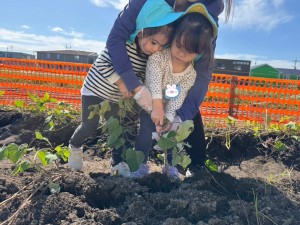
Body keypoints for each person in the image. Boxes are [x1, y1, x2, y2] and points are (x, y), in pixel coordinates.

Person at [106, 0, 234, 175]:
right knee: (130, 111)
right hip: (137, 66)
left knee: (182, 115)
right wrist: (135, 86)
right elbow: (116, 38)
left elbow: (201, 76)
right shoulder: (147, 3)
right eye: (180, 46)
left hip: (175, 81)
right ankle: (124, 161)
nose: (183, 52)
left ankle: (190, 165)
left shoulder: (207, 18)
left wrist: (179, 117)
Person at [67, 0, 188, 174]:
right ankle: (75, 146)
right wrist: (121, 82)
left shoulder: (148, 57)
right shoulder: (125, 45)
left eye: (162, 47)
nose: (156, 49)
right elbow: (102, 64)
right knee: (89, 125)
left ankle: (117, 163)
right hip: (94, 90)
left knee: (119, 129)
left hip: (116, 98)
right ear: (141, 32)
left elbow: (142, 76)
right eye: (154, 43)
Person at [131, 4, 217, 179]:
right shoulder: (159, 58)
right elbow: (153, 79)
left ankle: (171, 166)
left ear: (200, 53)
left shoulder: (190, 74)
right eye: (178, 46)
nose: (182, 54)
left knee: (171, 137)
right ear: (173, 38)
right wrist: (156, 107)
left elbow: (179, 96)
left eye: (189, 52)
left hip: (168, 108)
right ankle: (140, 164)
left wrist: (170, 117)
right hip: (150, 105)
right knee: (145, 134)